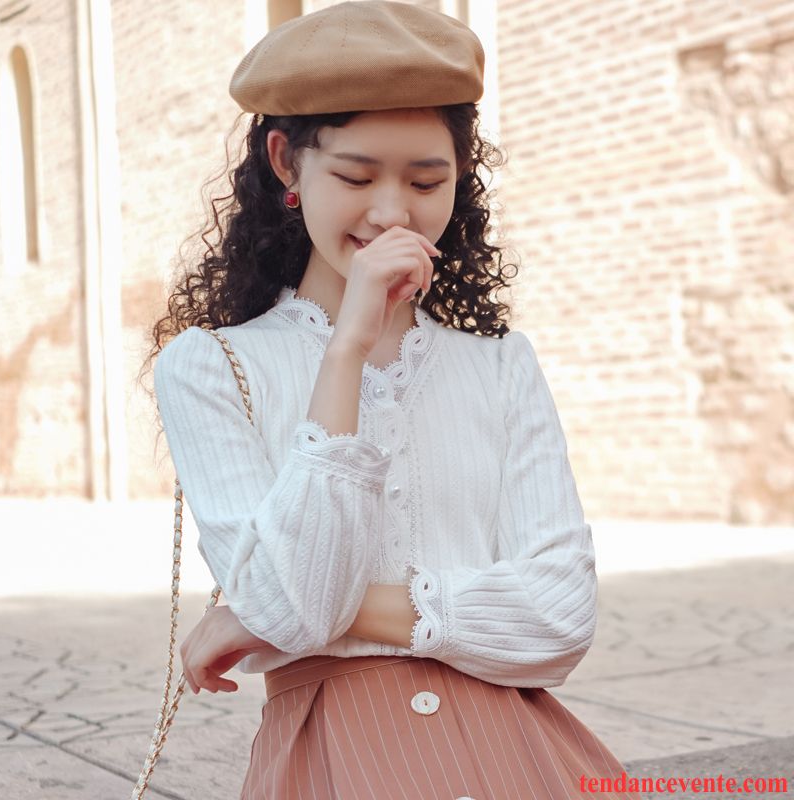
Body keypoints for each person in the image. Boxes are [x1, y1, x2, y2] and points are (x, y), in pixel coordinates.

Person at [143, 2, 642, 798]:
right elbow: (288, 601)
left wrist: (277, 614)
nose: (391, 212)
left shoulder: (501, 366)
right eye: (355, 175)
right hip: (333, 759)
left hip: (520, 756)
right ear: (285, 164)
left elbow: (559, 616)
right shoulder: (209, 368)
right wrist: (346, 350)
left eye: (425, 180)